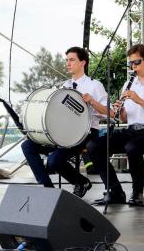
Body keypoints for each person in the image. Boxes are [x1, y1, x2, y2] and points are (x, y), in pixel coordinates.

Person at [87, 44, 144, 205]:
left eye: (136, 62)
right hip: (131, 130)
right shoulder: (128, 84)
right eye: (131, 63)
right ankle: (115, 191)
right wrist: (120, 110)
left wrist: (138, 100)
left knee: (132, 147)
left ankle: (137, 193)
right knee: (94, 145)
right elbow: (125, 119)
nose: (133, 66)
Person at [22, 47, 107, 197]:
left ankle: (81, 182)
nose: (68, 63)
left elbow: (109, 112)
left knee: (54, 161)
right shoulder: (64, 86)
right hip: (62, 133)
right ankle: (47, 187)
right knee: (28, 146)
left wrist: (92, 102)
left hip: (86, 133)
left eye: (72, 60)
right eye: (67, 60)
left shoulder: (95, 85)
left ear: (83, 62)